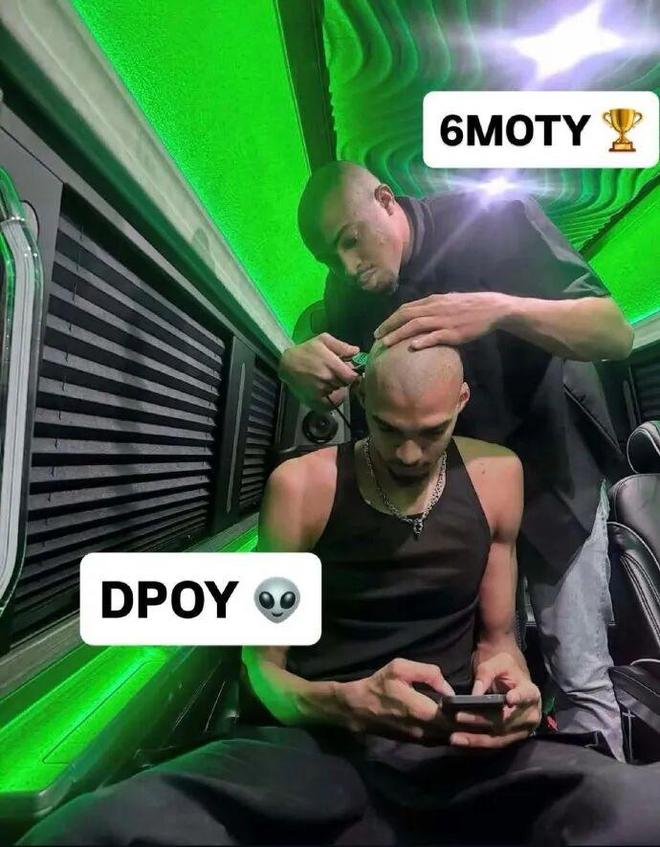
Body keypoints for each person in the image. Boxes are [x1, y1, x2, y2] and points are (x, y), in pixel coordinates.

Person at [19, 341, 660, 847]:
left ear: (462, 401)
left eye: (431, 431)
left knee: (637, 806)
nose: (408, 452)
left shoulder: (498, 474)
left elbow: (497, 642)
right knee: (87, 830)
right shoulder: (302, 487)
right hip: (314, 745)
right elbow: (263, 672)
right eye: (387, 427)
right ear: (360, 401)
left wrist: (510, 685)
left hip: (455, 749)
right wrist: (346, 703)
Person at [280, 160, 634, 760]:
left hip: (554, 475)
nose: (347, 267)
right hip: (462, 501)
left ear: (386, 200)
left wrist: (499, 309)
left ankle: (601, 786)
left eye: (351, 240)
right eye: (328, 258)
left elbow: (615, 334)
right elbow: (336, 360)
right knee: (486, 674)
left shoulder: (494, 222)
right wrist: (296, 358)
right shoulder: (349, 293)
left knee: (578, 669)